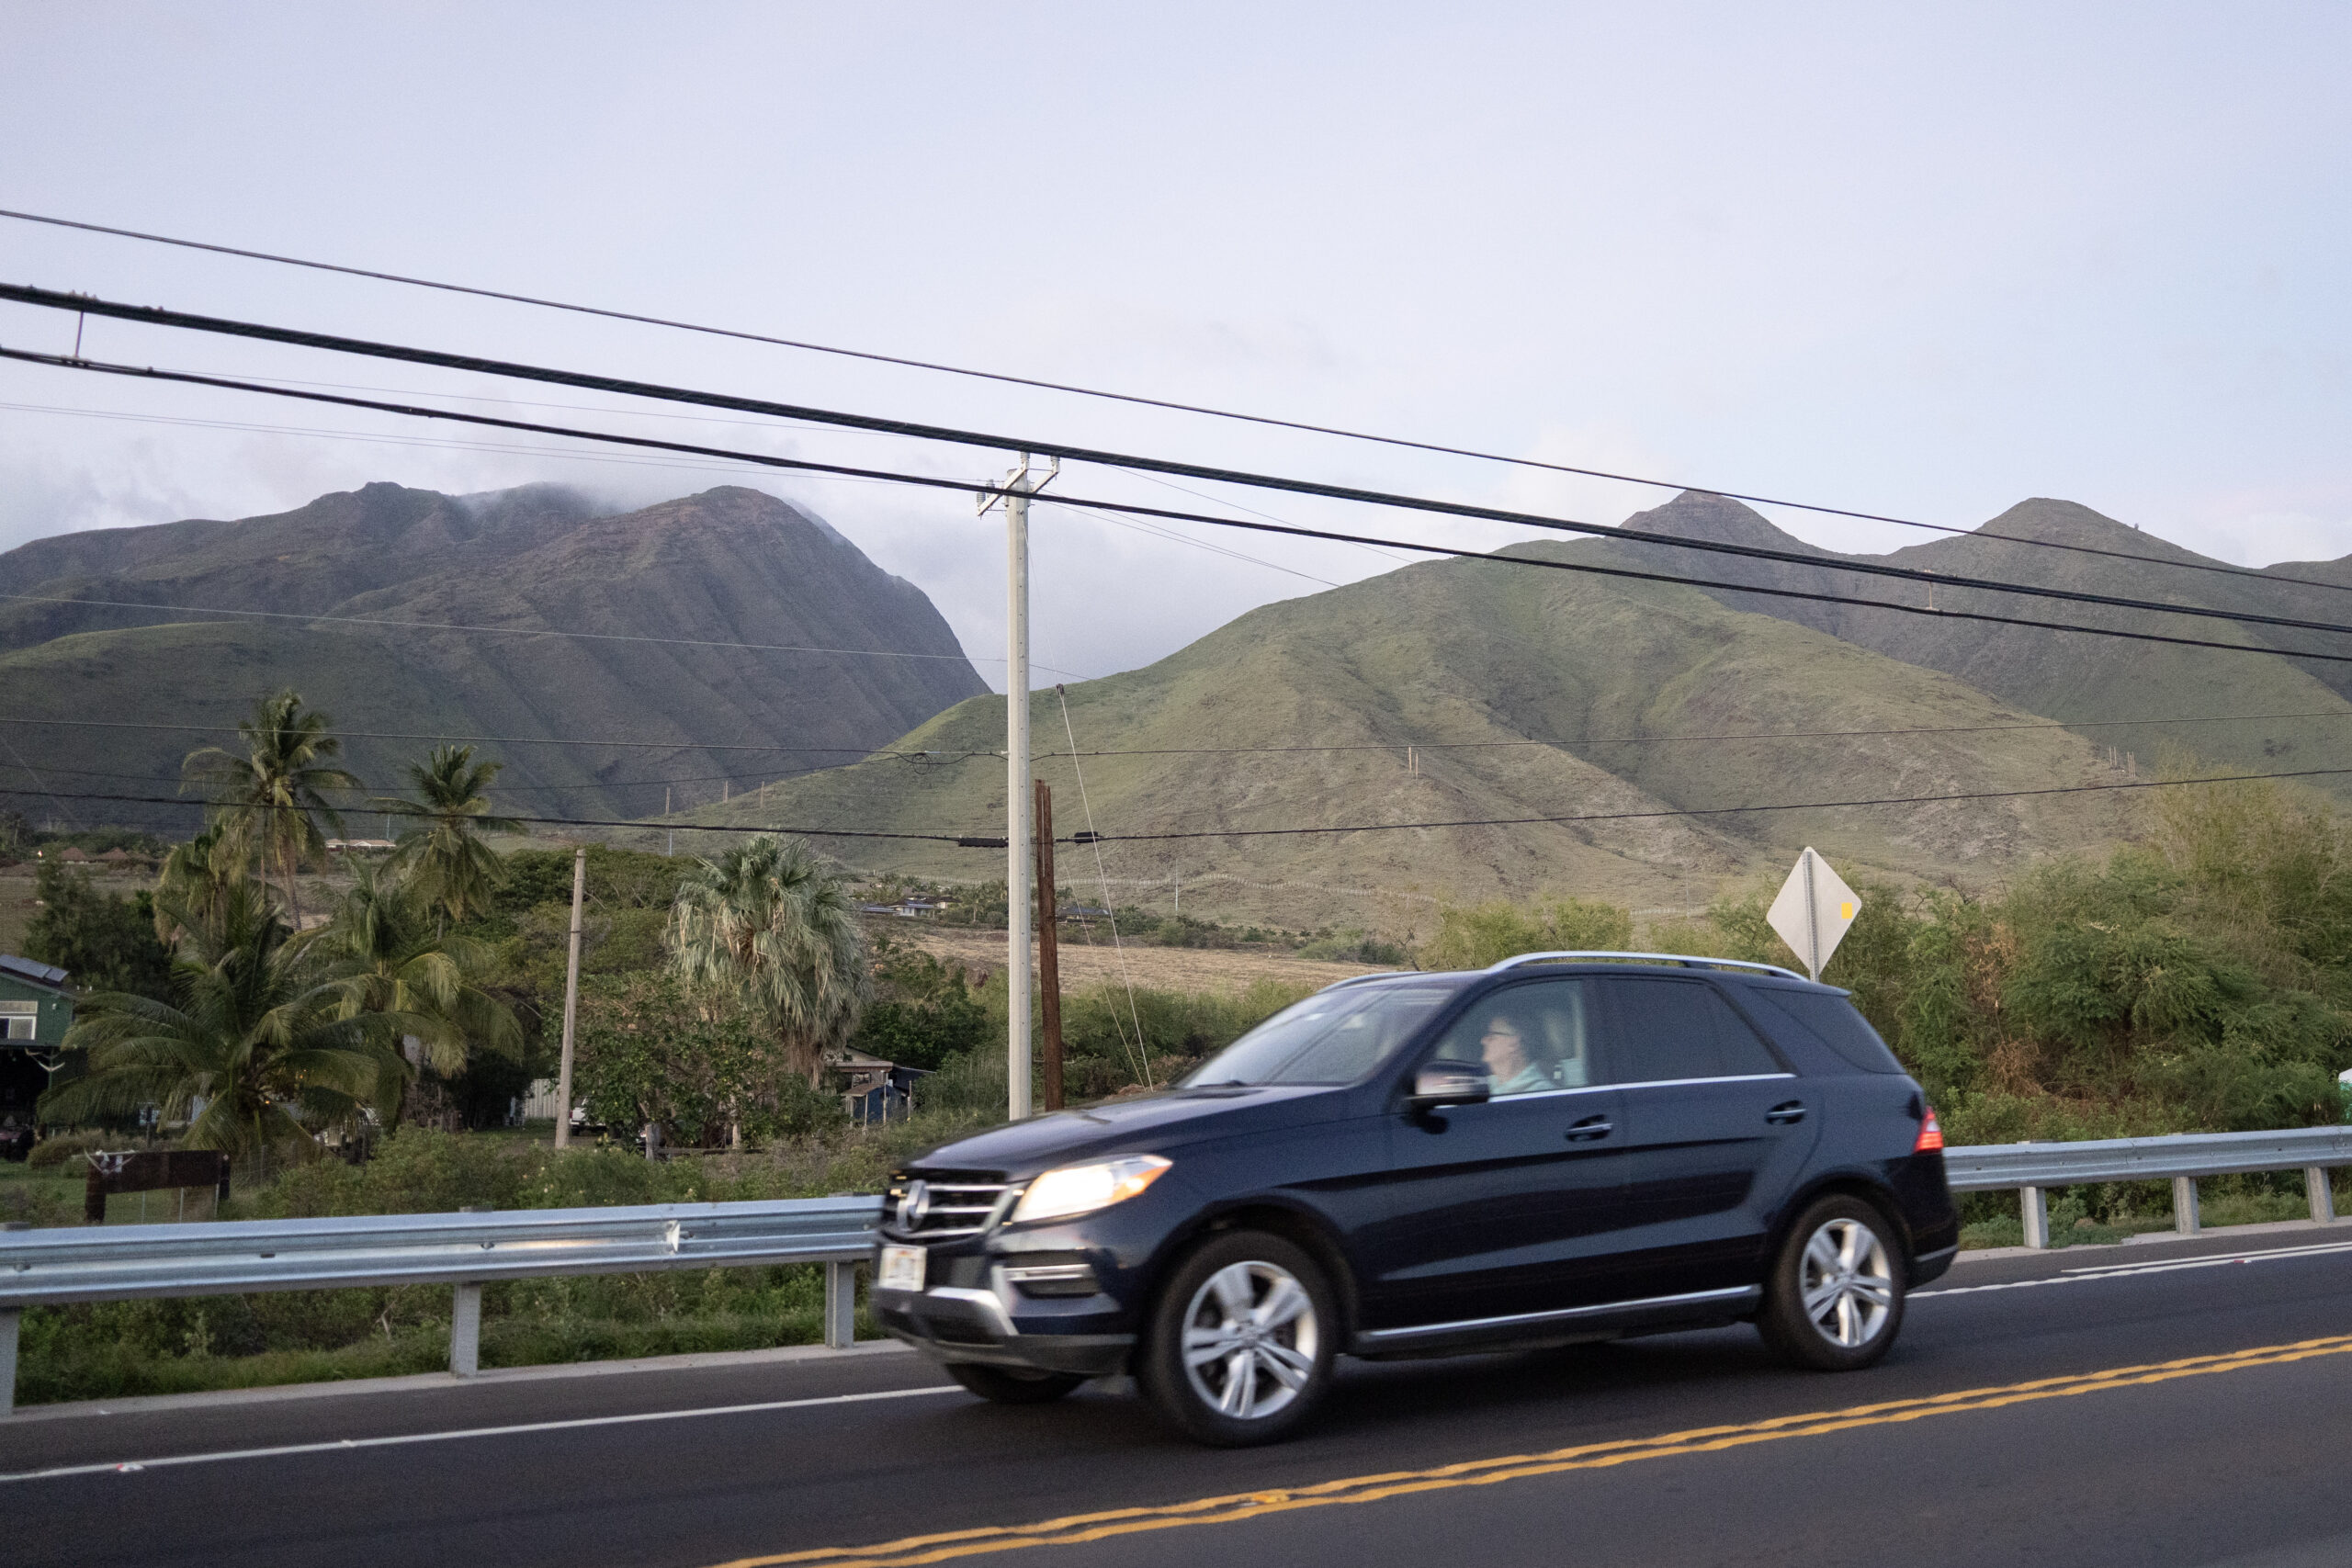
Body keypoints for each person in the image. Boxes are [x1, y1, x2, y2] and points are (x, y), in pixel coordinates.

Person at [1479, 1013, 1553, 1097]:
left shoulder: (1539, 1093)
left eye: (1492, 1035)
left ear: (1514, 1043)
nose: (1483, 1041)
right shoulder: (1485, 1085)